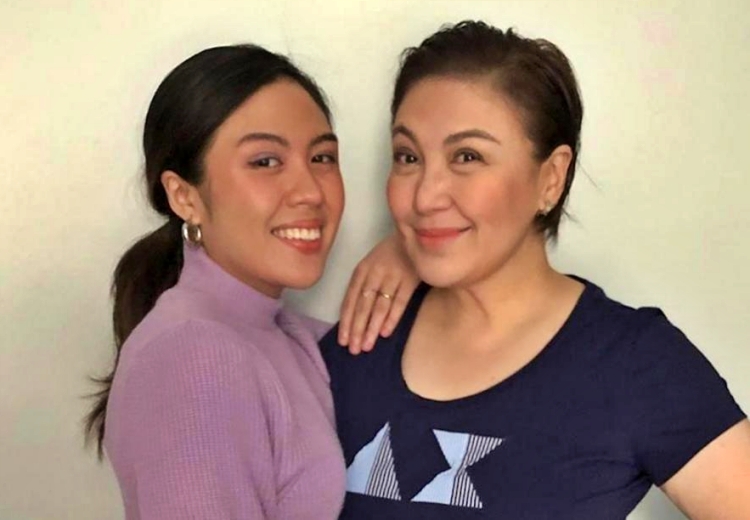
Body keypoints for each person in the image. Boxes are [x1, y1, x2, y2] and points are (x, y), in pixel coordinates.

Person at [321, 21, 750, 519]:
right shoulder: (358, 343)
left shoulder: (633, 363)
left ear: (551, 178)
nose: (425, 196)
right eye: (408, 157)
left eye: (467, 156)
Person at [83, 44, 416, 519]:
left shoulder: (288, 336)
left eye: (322, 157)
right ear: (184, 196)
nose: (309, 191)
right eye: (265, 161)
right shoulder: (195, 356)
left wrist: (413, 250)